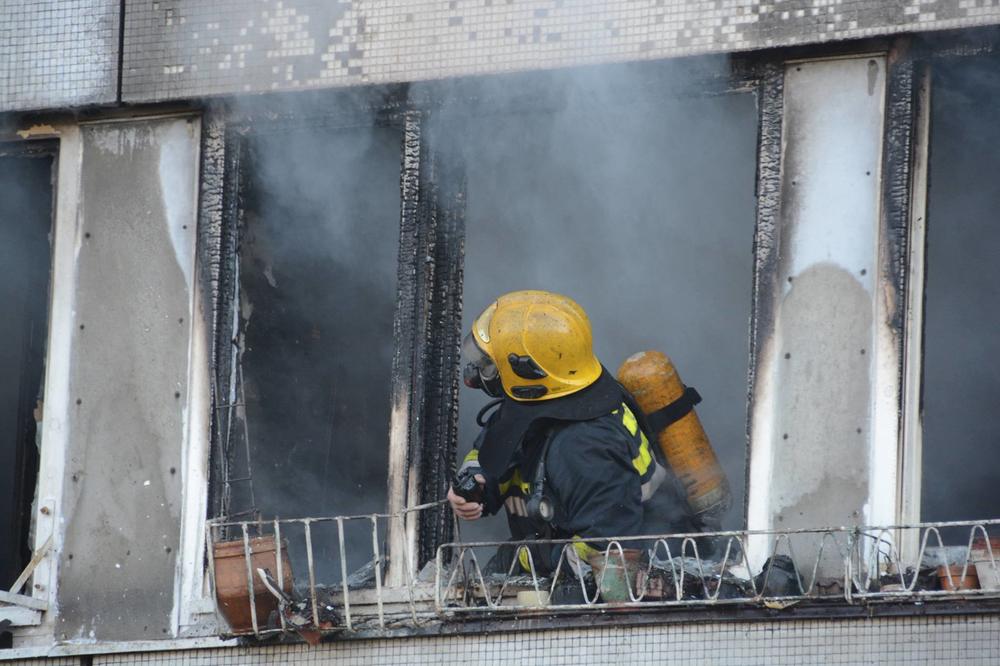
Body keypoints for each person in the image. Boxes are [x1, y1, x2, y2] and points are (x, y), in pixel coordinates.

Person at [448, 290, 699, 600]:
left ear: (530, 371)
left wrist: (529, 557)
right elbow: (501, 441)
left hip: (626, 584)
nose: (477, 374)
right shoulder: (551, 394)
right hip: (558, 545)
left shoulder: (583, 449)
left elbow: (609, 555)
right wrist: (477, 481)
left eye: (489, 365)